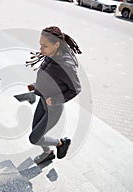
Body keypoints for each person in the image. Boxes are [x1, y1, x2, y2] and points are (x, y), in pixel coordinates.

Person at [26, 26, 82, 165]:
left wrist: (56, 99)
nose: (41, 49)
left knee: (34, 138)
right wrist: (36, 85)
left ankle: (61, 143)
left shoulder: (66, 65)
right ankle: (47, 153)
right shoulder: (51, 54)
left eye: (44, 45)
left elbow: (76, 89)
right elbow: (49, 77)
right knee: (37, 132)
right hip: (42, 101)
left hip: (53, 108)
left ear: (56, 44)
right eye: (40, 44)